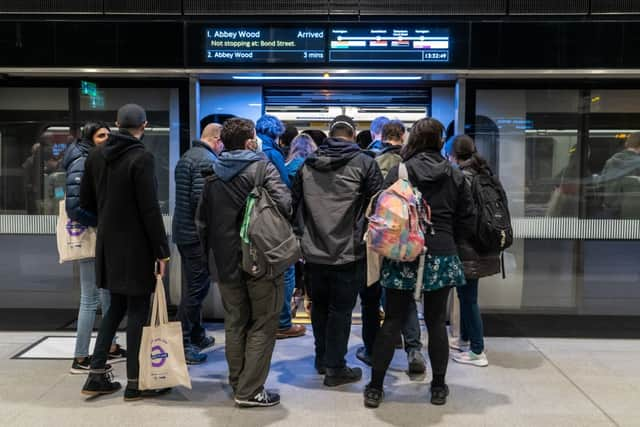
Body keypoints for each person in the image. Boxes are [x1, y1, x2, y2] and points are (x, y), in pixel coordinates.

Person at [363, 118, 475, 408]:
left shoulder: (400, 170)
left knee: (393, 320)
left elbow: (382, 212)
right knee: (437, 322)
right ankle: (438, 387)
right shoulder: (454, 173)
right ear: (440, 141)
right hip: (442, 251)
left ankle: (375, 387)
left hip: (404, 253)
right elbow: (466, 218)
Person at [196, 118, 290, 407]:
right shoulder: (263, 167)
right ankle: (250, 391)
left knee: (235, 322)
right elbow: (285, 204)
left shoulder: (211, 175)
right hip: (261, 257)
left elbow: (202, 222)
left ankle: (239, 382)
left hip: (226, 262)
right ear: (251, 141)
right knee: (263, 322)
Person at [80, 104, 171, 401]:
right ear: (144, 125)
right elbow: (149, 209)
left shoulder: (95, 155)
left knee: (114, 308)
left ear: (117, 123)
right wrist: (162, 251)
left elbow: (85, 202)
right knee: (136, 310)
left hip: (108, 244)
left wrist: (107, 218)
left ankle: (96, 375)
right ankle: (135, 382)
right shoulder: (141, 157)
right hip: (136, 247)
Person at [292, 115, 383, 387]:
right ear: (354, 136)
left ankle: (321, 359)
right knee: (341, 310)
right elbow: (378, 205)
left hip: (312, 251)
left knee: (318, 307)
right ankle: (335, 367)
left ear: (330, 135)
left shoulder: (307, 164)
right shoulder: (365, 163)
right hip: (349, 251)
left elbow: (293, 204)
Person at [356, 120, 427, 375]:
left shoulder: (368, 160)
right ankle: (413, 349)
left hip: (377, 238)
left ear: (379, 135)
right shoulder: (410, 164)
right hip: (407, 238)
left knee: (372, 297)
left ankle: (374, 347)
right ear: (403, 136)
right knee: (404, 295)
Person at [63, 122, 126, 374]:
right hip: (91, 236)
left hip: (99, 236)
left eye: (108, 135)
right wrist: (103, 222)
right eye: (101, 136)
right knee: (90, 299)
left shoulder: (93, 157)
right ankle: (80, 357)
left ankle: (109, 345)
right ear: (90, 138)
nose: (106, 139)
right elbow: (75, 207)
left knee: (106, 293)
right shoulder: (82, 159)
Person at [445, 135, 500, 368]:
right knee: (468, 296)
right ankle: (465, 341)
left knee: (468, 298)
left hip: (467, 246)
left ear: (453, 156)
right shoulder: (485, 174)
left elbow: (461, 215)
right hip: (483, 243)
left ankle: (477, 350)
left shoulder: (461, 177)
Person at [173, 123, 224, 365]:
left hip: (183, 232)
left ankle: (196, 334)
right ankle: (183, 343)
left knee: (193, 287)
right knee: (196, 290)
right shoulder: (206, 160)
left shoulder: (187, 157)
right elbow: (200, 200)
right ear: (217, 140)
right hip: (196, 236)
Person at [256, 114, 306, 340]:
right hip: (276, 220)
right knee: (286, 269)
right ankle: (283, 323)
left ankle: (264, 319)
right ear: (276, 133)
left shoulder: (251, 150)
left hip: (256, 221)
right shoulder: (272, 154)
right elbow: (284, 187)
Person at [600, 132, 640, 219]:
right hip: (632, 211)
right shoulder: (638, 163)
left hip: (610, 210)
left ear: (627, 144)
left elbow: (601, 184)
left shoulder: (610, 161)